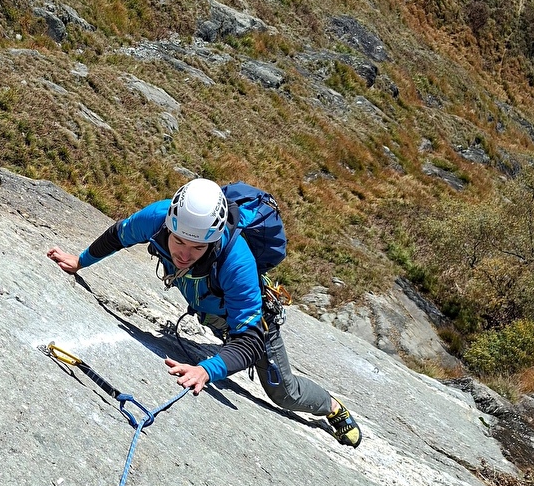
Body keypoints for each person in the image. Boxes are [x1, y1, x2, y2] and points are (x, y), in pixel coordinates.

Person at [47, 177, 361, 447]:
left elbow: (250, 342)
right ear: (169, 224)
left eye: (197, 248)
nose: (183, 254)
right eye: (179, 241)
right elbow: (119, 235)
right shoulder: (158, 218)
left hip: (246, 323)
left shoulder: (236, 260)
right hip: (212, 311)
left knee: (285, 393)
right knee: (226, 341)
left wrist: (206, 370)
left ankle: (333, 408)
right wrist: (80, 261)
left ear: (212, 241)